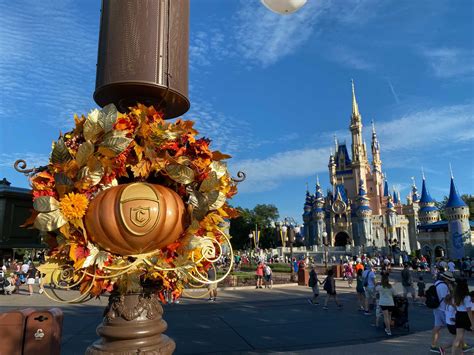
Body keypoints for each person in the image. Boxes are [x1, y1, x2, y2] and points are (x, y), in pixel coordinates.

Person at [430, 271, 455, 354]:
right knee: (455, 329)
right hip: (443, 309)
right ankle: (461, 343)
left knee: (437, 327)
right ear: (447, 279)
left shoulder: (437, 283)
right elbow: (446, 299)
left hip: (437, 308)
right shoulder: (444, 286)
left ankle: (433, 345)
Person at [451, 279, 474, 355]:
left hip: (459, 315)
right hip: (466, 316)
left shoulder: (455, 297)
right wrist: (472, 323)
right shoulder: (467, 297)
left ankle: (453, 353)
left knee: (458, 337)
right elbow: (469, 311)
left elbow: (454, 305)